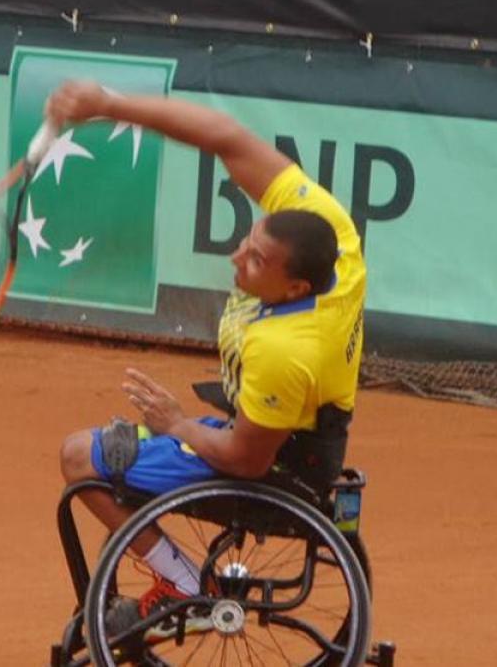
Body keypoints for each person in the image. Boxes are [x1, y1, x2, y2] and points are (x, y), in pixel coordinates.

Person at [51, 81, 366, 639]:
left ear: (293, 287)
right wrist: (109, 105)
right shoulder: (332, 235)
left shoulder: (285, 348)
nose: (237, 256)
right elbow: (226, 136)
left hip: (279, 461)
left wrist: (178, 425)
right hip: (282, 429)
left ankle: (183, 583)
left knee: (80, 459)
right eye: (249, 240)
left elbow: (246, 462)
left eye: (256, 259)